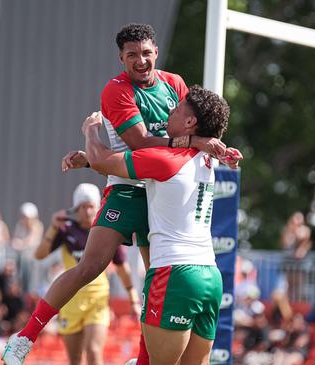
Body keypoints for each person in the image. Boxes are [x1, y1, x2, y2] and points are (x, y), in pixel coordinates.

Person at [2, 23, 240, 365]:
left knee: (154, 275)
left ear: (156, 52)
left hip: (159, 190)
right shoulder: (116, 90)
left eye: (146, 53)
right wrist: (199, 143)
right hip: (130, 187)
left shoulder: (175, 84)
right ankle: (25, 336)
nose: (141, 61)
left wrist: (206, 144)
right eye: (132, 56)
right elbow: (141, 142)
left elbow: (193, 125)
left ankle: (142, 359)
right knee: (92, 265)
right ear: (121, 59)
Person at [79, 84, 232, 364]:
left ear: (190, 122)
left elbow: (101, 160)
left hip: (175, 274)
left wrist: (90, 130)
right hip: (210, 276)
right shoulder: (208, 158)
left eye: (175, 109)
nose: (168, 113)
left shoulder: (164, 159)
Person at [34, 183, 140, 365]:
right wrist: (52, 228)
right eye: (83, 206)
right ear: (76, 208)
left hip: (97, 300)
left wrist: (133, 299)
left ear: (97, 206)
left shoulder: (107, 231)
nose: (87, 211)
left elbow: (122, 267)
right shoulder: (66, 230)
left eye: (91, 206)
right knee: (74, 360)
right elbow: (39, 254)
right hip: (70, 301)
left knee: (93, 350)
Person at [11, 202, 44, 293]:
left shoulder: (38, 226)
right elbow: (15, 239)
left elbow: (31, 240)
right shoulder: (20, 225)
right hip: (21, 260)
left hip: (34, 261)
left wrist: (20, 243)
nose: (26, 219)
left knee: (33, 284)